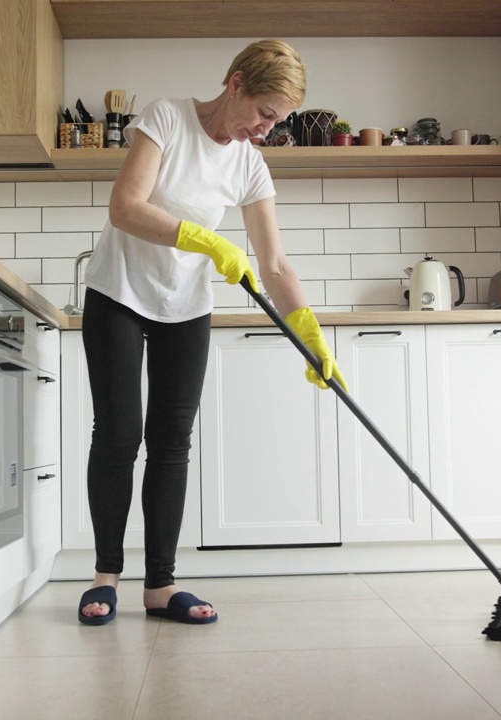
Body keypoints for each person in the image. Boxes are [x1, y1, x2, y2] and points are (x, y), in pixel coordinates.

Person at [76, 39, 346, 626]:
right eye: (265, 113)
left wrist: (311, 334)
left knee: (171, 443)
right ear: (236, 85)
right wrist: (207, 239)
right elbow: (125, 207)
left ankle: (160, 586)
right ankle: (104, 577)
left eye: (278, 120)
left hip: (186, 305)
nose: (267, 130)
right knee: (120, 433)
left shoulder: (250, 163)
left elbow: (274, 263)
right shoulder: (167, 118)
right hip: (118, 293)